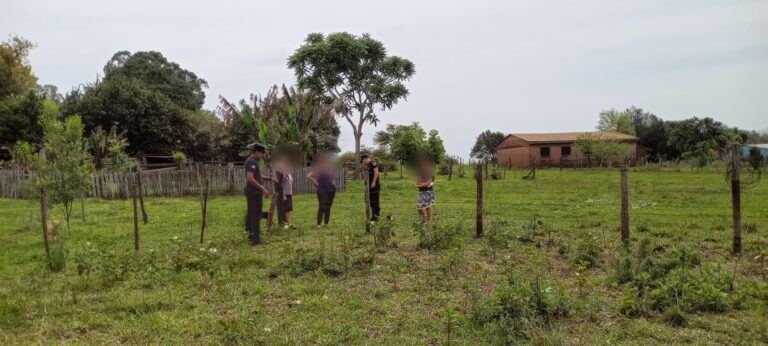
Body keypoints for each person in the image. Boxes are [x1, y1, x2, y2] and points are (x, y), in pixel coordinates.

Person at [243, 142, 274, 245]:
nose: (262, 155)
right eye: (261, 153)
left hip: (253, 192)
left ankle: (249, 235)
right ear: (256, 152)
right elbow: (250, 179)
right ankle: (255, 240)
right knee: (256, 214)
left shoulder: (253, 161)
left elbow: (258, 176)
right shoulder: (251, 162)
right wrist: (262, 188)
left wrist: (270, 178)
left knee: (251, 214)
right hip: (254, 192)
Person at [307, 154, 337, 228]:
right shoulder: (318, 169)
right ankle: (318, 224)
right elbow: (309, 176)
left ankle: (326, 223)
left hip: (331, 190)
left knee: (328, 207)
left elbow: (332, 178)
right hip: (322, 190)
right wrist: (316, 183)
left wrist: (333, 183)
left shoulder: (330, 169)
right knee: (322, 206)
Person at [275, 157, 294, 229]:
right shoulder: (279, 172)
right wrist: (282, 194)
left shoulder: (287, 171)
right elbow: (279, 184)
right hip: (284, 193)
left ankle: (288, 223)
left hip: (289, 192)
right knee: (286, 208)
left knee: (288, 208)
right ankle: (287, 224)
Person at [360, 154, 381, 222]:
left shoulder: (373, 163)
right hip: (370, 186)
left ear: (365, 159)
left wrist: (374, 182)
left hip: (374, 186)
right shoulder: (368, 165)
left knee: (375, 201)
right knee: (371, 201)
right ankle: (373, 217)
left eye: (363, 161)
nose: (363, 163)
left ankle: (376, 217)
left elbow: (376, 172)